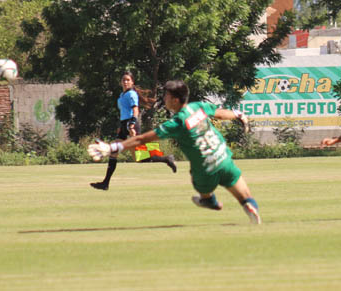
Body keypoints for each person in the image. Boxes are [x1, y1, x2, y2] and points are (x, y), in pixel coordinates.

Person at [87, 80, 261, 224]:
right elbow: (221, 114)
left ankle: (209, 200)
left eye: (167, 96)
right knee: (245, 196)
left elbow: (142, 139)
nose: (164, 99)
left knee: (197, 178)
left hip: (205, 169)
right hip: (224, 159)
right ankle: (250, 208)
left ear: (176, 100)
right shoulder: (198, 107)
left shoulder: (177, 122)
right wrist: (238, 114)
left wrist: (112, 147)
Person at [90, 71, 177, 190]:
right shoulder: (122, 95)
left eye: (128, 80)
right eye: (123, 80)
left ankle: (166, 158)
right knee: (119, 154)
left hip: (131, 125)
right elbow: (124, 112)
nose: (125, 82)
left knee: (139, 157)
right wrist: (121, 125)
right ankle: (105, 183)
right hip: (124, 124)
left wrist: (131, 125)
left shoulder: (131, 94)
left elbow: (135, 110)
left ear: (132, 82)